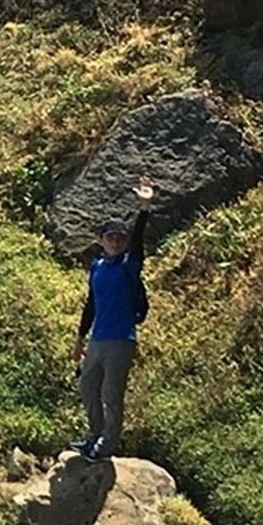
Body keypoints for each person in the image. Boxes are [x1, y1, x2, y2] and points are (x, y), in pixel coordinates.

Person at [70, 176, 155, 463]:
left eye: (120, 238)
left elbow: (139, 243)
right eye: (111, 237)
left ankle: (107, 444)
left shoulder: (129, 266)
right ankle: (94, 436)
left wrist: (144, 208)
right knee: (88, 387)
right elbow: (91, 304)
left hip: (121, 340)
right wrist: (80, 339)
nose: (116, 241)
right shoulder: (97, 267)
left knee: (111, 393)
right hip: (97, 340)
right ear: (100, 240)